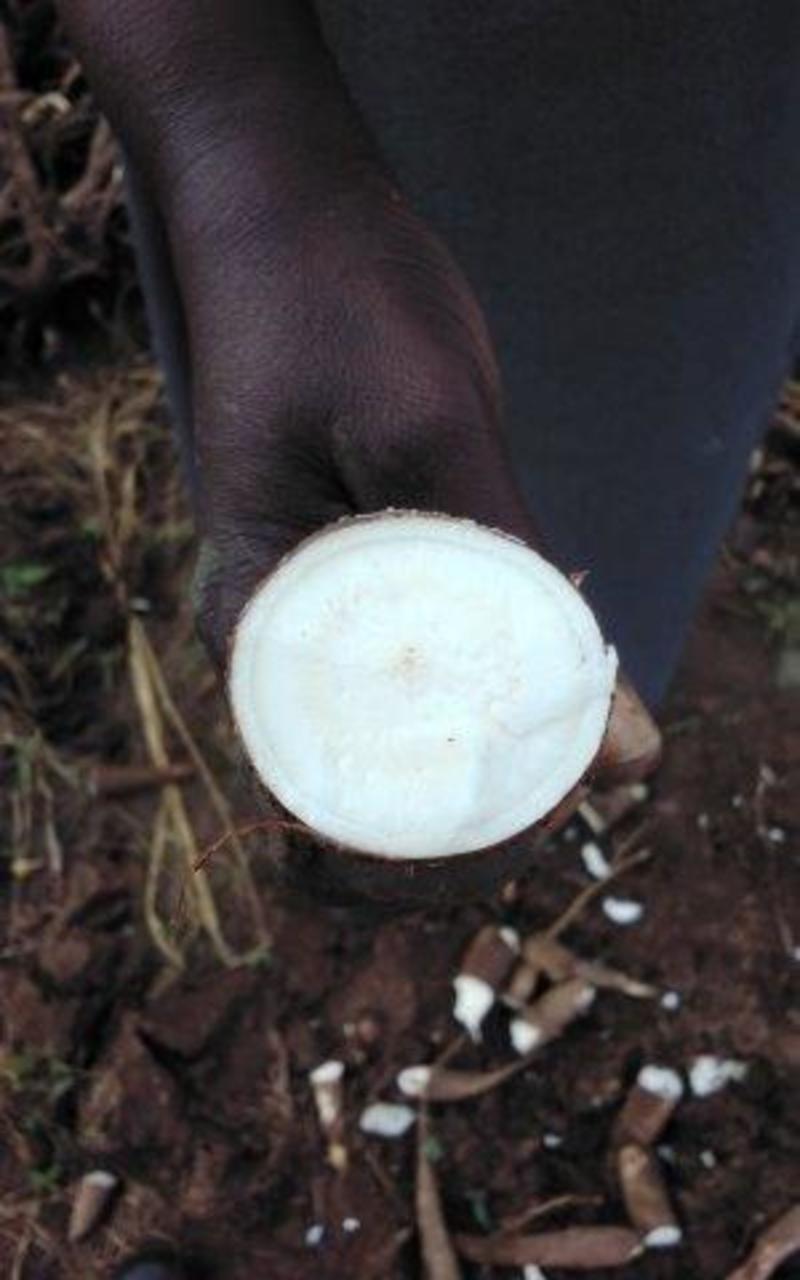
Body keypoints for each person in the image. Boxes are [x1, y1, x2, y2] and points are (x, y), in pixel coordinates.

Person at [57, 2, 800, 1275]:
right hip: (337, 59)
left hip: (724, 85)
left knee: (645, 429)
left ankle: (622, 632)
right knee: (315, 425)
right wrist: (234, 137)